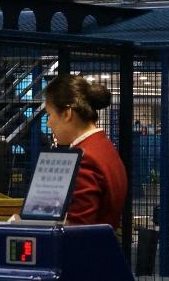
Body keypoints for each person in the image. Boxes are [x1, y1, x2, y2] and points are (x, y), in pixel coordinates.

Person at [44, 74, 127, 229]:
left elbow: (77, 229)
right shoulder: (104, 147)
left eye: (49, 115)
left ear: (67, 114)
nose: (48, 123)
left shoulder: (84, 158)